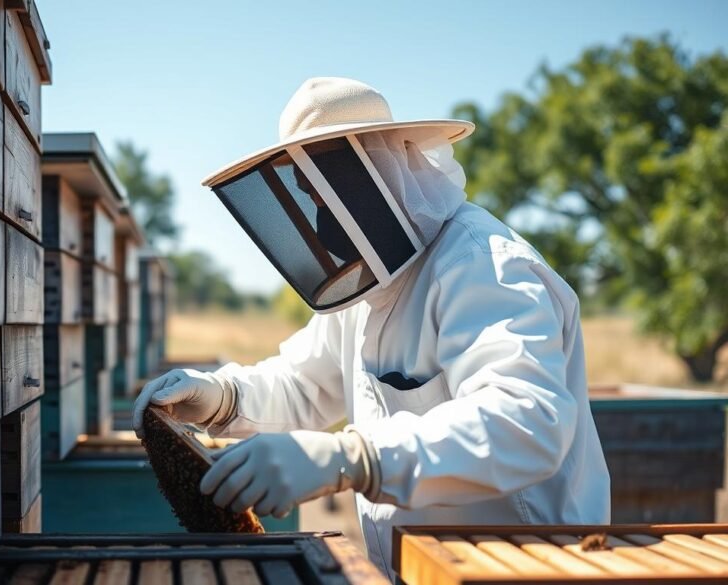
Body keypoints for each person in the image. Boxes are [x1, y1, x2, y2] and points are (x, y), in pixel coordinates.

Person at [132, 77, 610, 574]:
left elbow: (526, 421)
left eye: (329, 188)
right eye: (309, 195)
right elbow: (302, 384)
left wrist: (354, 456)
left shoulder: (482, 263)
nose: (322, 213)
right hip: (423, 569)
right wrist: (221, 395)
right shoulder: (368, 288)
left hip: (527, 567)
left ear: (385, 165)